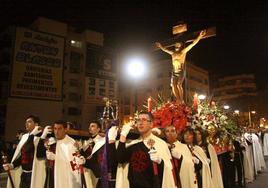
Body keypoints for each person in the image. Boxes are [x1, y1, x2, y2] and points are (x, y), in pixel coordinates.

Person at [115, 112, 175, 188]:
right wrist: (123, 135)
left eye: (144, 120)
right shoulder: (133, 143)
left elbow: (169, 169)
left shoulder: (160, 144)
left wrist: (160, 161)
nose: (140, 123)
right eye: (138, 120)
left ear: (151, 124)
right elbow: (120, 159)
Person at [155, 30, 206, 103]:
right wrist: (160, 46)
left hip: (180, 71)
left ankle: (181, 99)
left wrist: (200, 36)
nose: (176, 44)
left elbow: (192, 44)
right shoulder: (173, 53)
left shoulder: (182, 52)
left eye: (177, 43)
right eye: (175, 44)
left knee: (179, 84)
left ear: (181, 45)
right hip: (174, 72)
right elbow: (165, 49)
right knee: (173, 85)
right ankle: (178, 99)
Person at [3, 115, 46, 188]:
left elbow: (29, 149)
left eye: (29, 122)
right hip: (24, 174)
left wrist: (32, 135)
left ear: (36, 124)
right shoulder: (25, 137)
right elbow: (23, 154)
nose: (26, 124)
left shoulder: (40, 138)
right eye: (26, 122)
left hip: (34, 174)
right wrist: (12, 165)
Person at [36, 120, 82, 188]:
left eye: (59, 129)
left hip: (64, 178)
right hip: (51, 176)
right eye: (55, 129)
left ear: (65, 129)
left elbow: (74, 165)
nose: (56, 132)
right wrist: (43, 136)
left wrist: (56, 157)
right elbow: (39, 154)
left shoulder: (71, 143)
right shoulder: (51, 141)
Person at [80, 120, 118, 188]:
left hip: (100, 173)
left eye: (92, 126)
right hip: (89, 170)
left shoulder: (102, 141)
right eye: (89, 126)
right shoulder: (87, 142)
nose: (89, 128)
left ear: (98, 129)